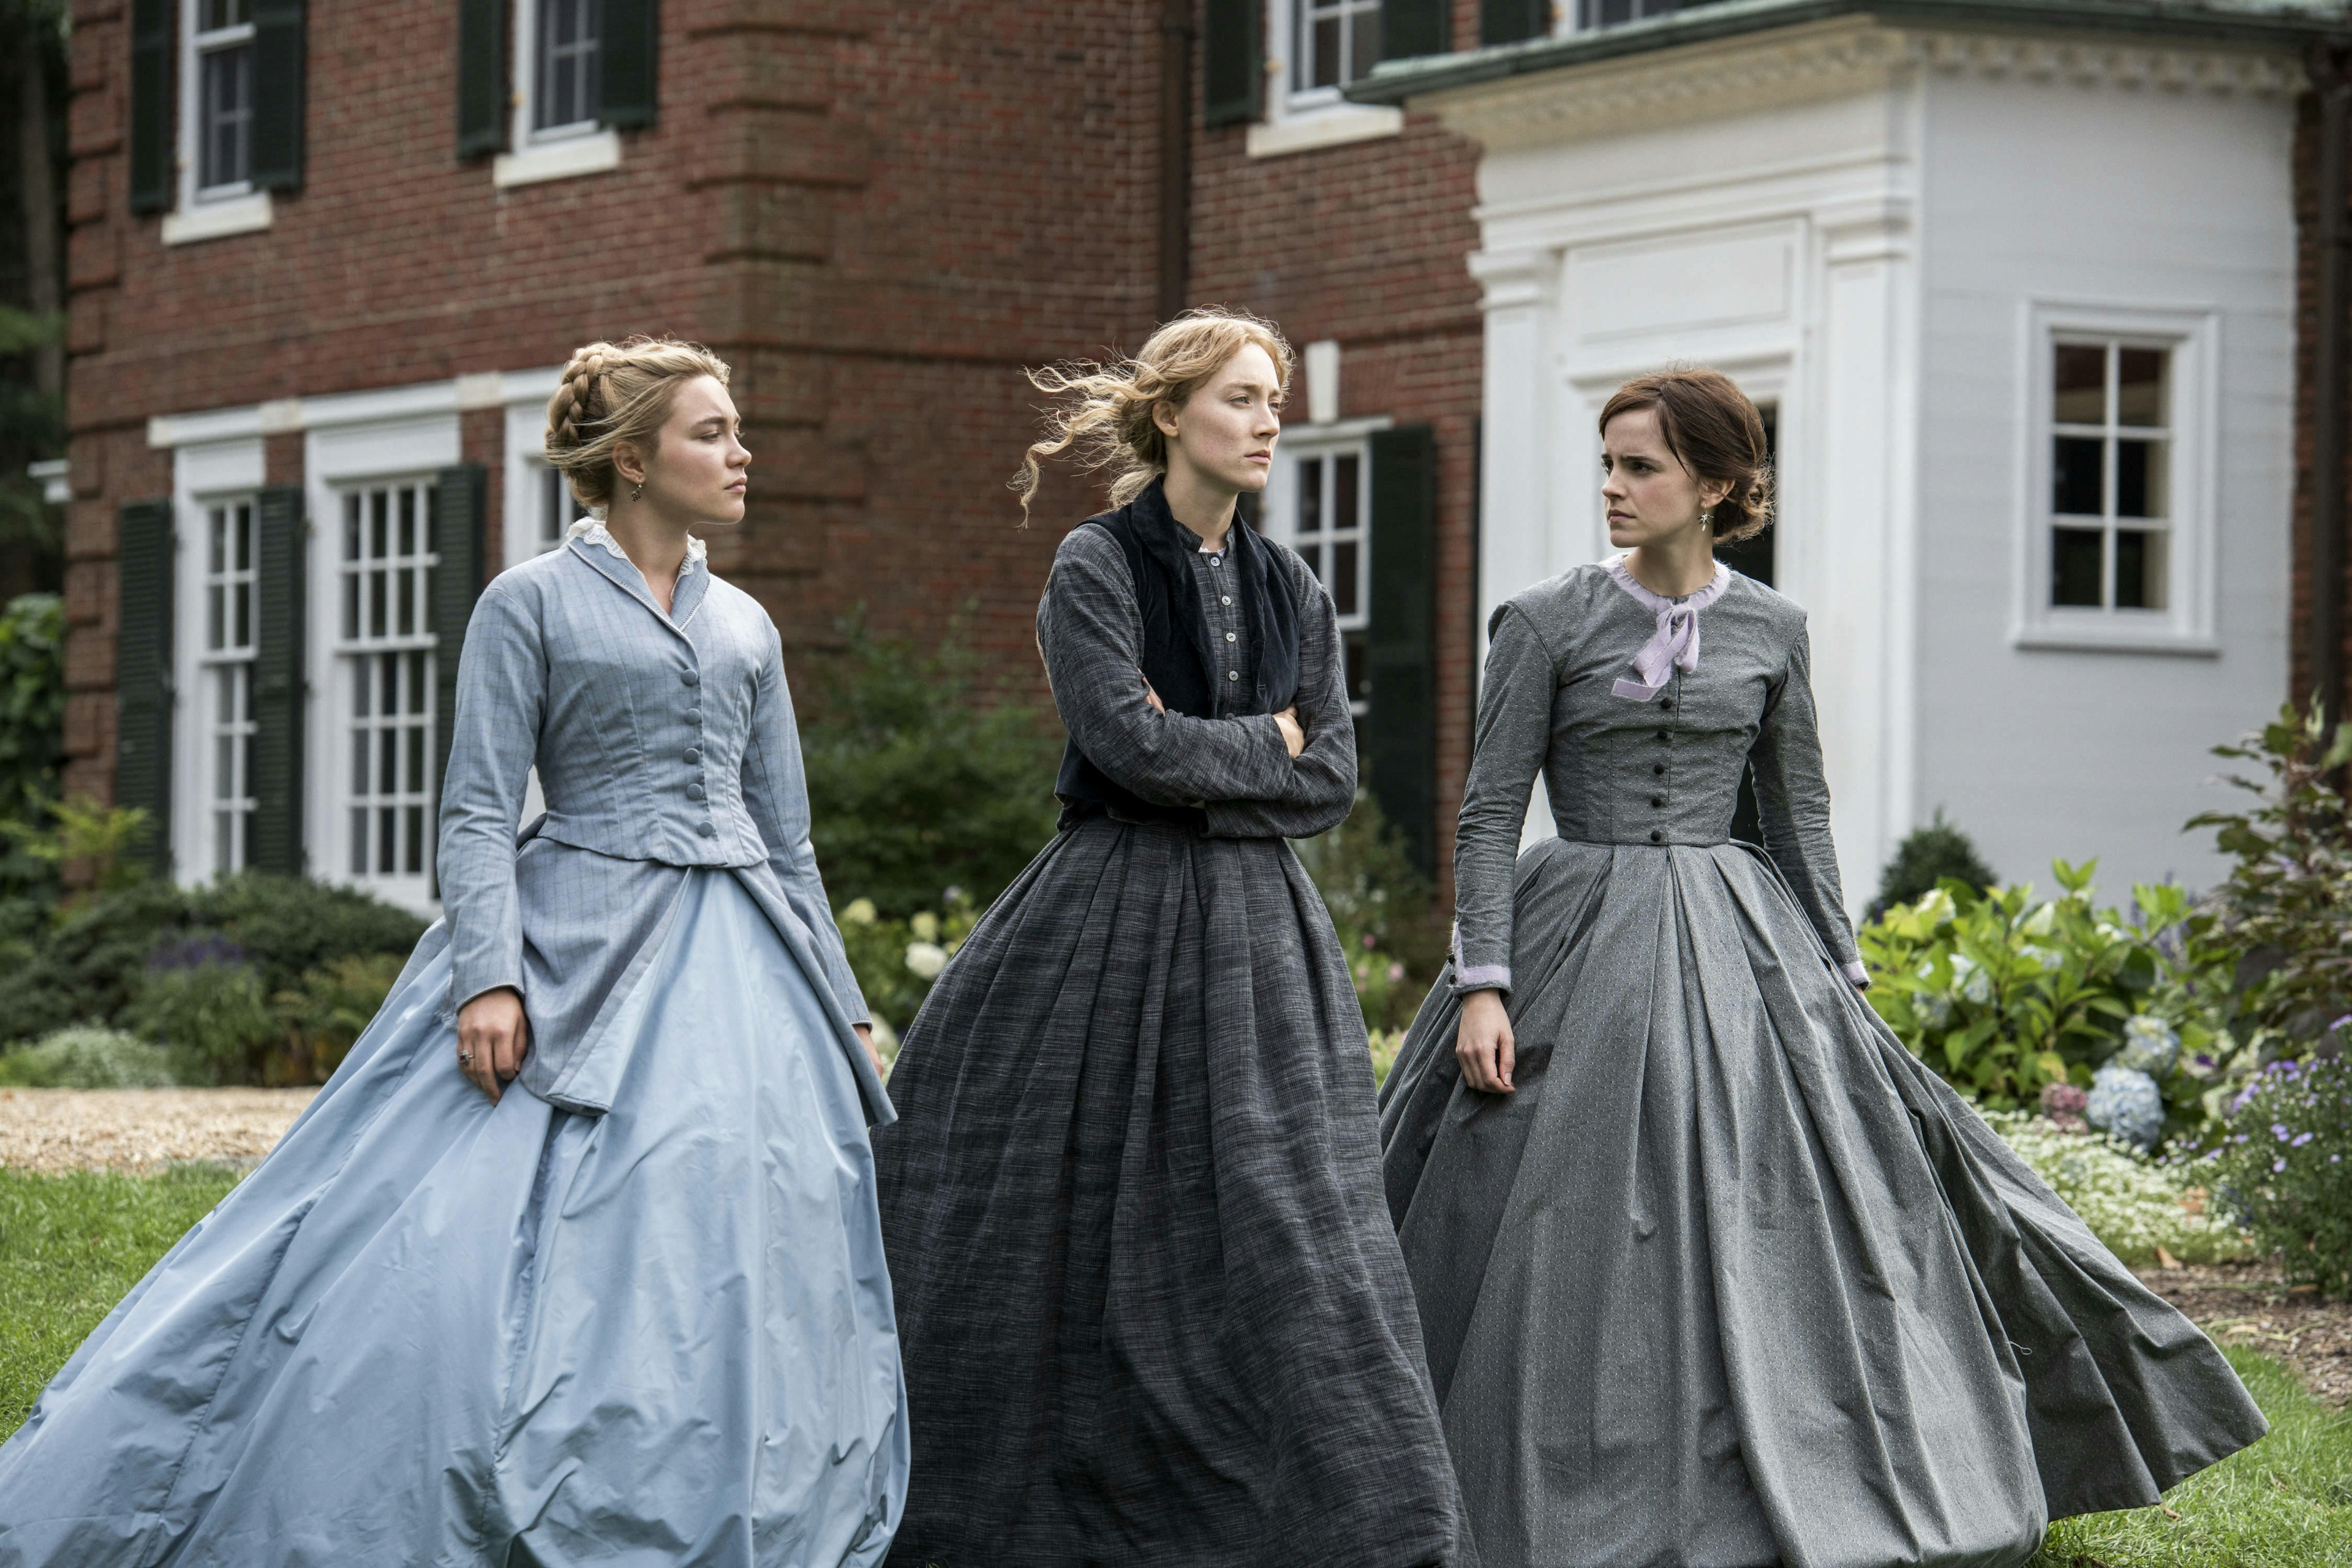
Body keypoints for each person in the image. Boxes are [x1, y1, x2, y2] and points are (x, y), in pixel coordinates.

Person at [0, 337, 908, 1567]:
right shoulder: (528, 599)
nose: (743, 453)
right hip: (569, 937)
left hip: (744, 952)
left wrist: (844, 1003)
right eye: (712, 432)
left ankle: (730, 1490)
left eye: (737, 430)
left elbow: (787, 834)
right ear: (631, 459)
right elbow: (479, 806)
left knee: (741, 1223)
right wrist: (490, 972)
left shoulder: (747, 622)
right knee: (451, 1238)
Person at [1378, 369, 2266, 1568]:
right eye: (1607, 462)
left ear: (1718, 484)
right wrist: (1483, 978)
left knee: (1781, 1215)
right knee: (1546, 1213)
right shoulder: (1540, 622)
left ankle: (1791, 1453)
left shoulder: (1773, 632)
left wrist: (1838, 980)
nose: (1613, 487)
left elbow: (1797, 817)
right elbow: (1489, 813)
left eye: (1640, 466)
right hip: (1566, 937)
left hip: (1737, 942)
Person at [870, 309, 1471, 1567]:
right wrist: (1267, 744)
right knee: (1071, 1205)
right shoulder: (1095, 564)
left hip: (1261, 931)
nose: (1268, 422)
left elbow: (1336, 779)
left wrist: (1222, 753)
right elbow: (1125, 749)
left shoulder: (1292, 582)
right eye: (1243, 399)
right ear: (1170, 416)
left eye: (1273, 399)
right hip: (1106, 914)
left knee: (1286, 1211)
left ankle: (1342, 1514)